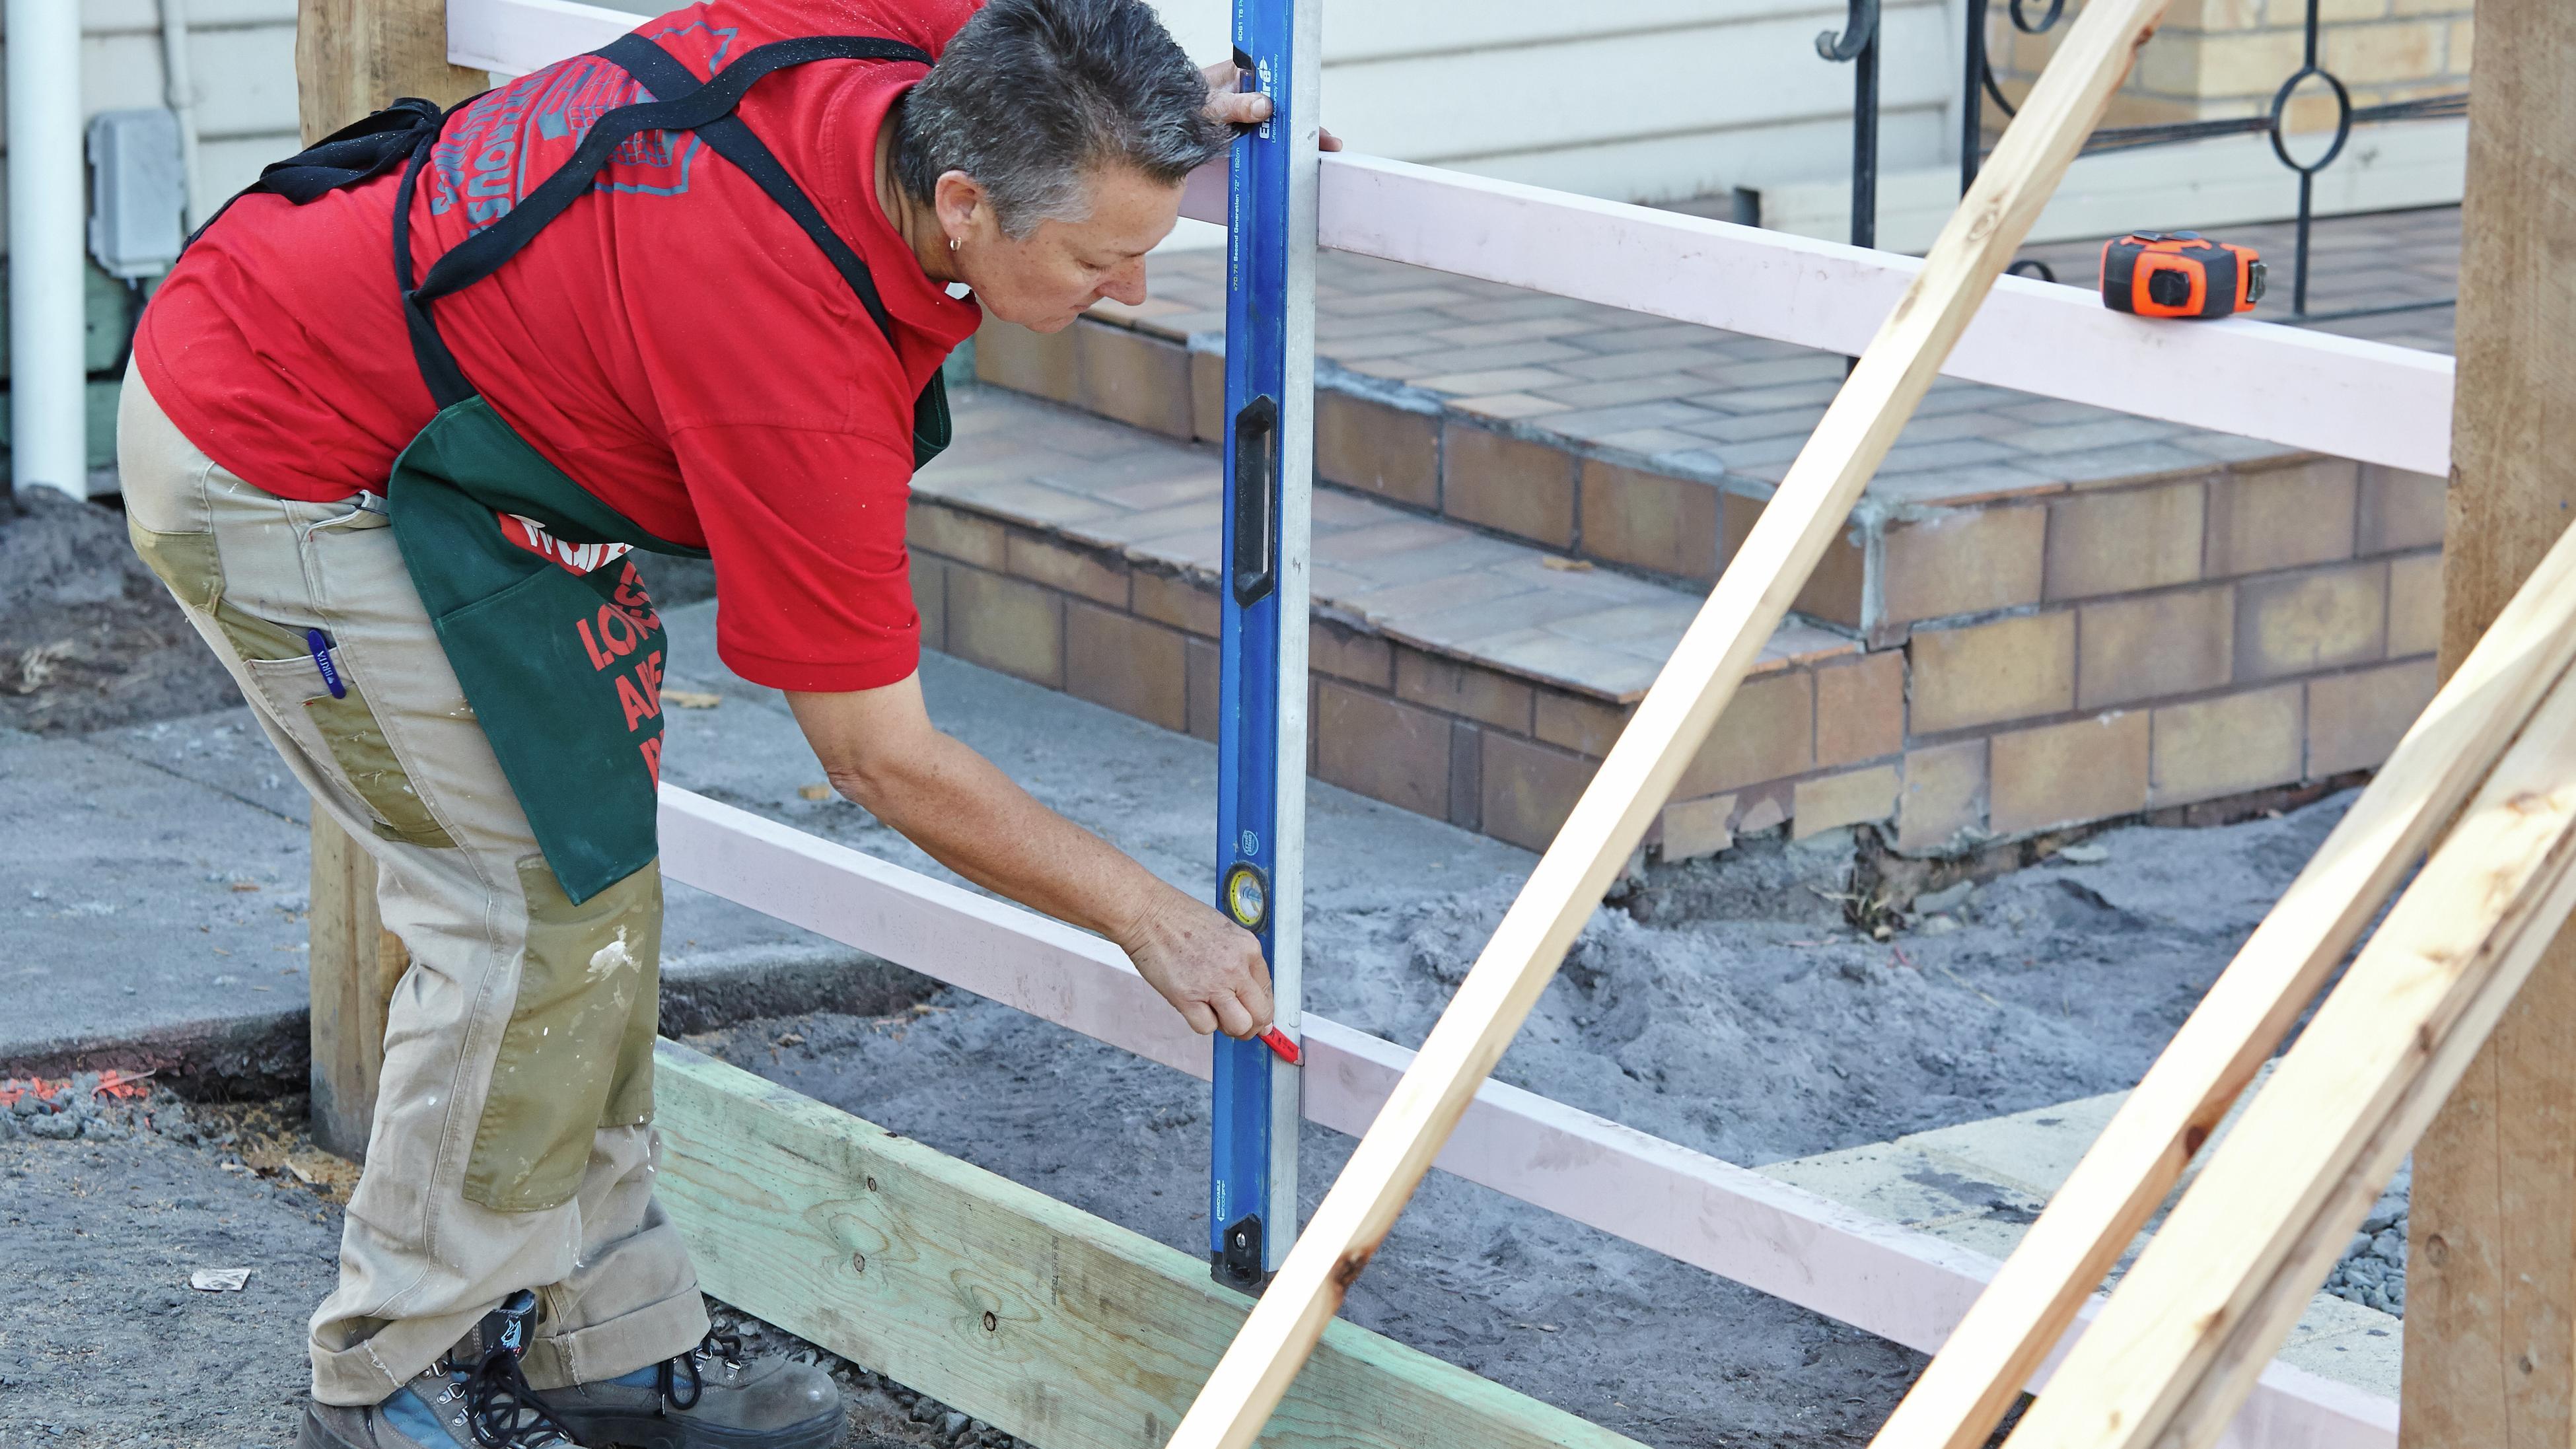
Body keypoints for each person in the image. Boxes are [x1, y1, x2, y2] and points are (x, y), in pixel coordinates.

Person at [119, 1, 1313, 1445]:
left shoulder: (939, 47)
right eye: (1095, 256)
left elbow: (1060, 50)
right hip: (275, 445)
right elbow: (881, 757)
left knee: (595, 882)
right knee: (527, 907)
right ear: (961, 199)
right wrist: (1145, 912)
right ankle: (395, 1378)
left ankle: (597, 1343)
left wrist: (1150, 112)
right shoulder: (792, 365)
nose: (1125, 290)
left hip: (424, 395)